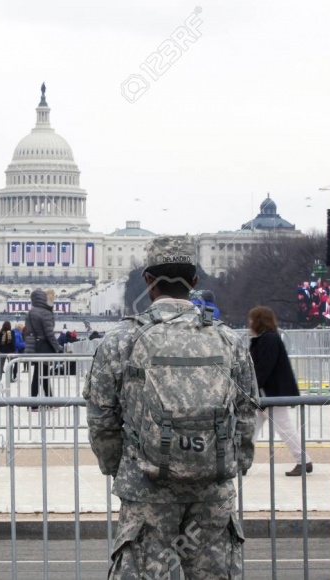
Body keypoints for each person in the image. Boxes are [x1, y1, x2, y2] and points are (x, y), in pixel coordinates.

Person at [84, 237, 258, 578]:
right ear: (194, 282)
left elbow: (102, 418)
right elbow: (247, 412)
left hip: (146, 486)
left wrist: (120, 466)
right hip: (212, 484)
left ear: (148, 280)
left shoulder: (122, 340)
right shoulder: (228, 340)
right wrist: (234, 461)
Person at [248, 306, 310, 476]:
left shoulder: (267, 340)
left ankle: (303, 460)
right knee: (256, 426)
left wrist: (252, 387)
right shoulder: (270, 338)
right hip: (272, 391)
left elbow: (263, 368)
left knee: (280, 427)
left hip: (271, 392)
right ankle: (242, 461)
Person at [24, 289, 62, 409]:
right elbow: (49, 334)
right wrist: (58, 347)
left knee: (40, 375)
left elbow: (27, 333)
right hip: (44, 347)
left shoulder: (30, 312)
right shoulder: (45, 313)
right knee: (41, 375)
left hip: (33, 347)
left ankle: (41, 401)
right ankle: (40, 402)